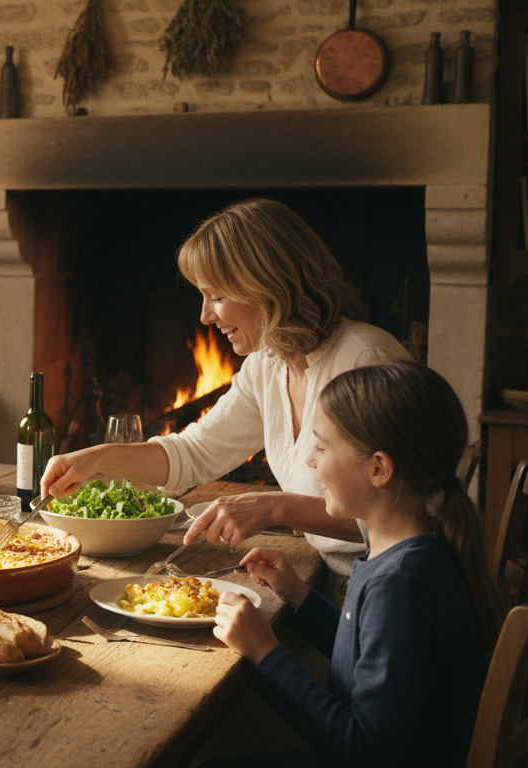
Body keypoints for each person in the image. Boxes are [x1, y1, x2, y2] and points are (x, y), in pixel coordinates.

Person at [40, 198, 411, 588]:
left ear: (267, 285)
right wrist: (96, 459)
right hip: (328, 583)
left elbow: (407, 516)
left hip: (390, 590)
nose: (204, 316)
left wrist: (275, 508)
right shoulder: (269, 364)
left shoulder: (365, 360)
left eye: (217, 296)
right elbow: (196, 452)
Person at [199, 361, 504, 767]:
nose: (309, 460)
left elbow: (362, 748)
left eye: (322, 447)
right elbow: (368, 655)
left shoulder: (401, 583)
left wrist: (264, 652)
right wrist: (301, 597)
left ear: (378, 468)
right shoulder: (410, 552)